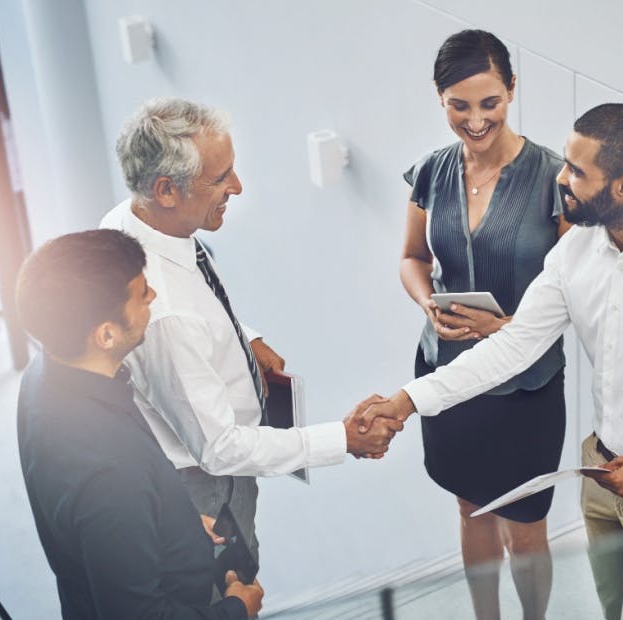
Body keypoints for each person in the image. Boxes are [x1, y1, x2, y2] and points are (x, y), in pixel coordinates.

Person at [364, 103, 623, 620]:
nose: (561, 179)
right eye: (565, 163)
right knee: (613, 614)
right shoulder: (574, 253)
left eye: (577, 172)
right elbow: (513, 346)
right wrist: (406, 400)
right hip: (602, 474)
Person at [100, 97, 402, 563]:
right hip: (207, 491)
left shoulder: (130, 221)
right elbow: (219, 449)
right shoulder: (166, 317)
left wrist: (245, 337)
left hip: (198, 460)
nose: (237, 187)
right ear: (165, 191)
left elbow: (194, 301)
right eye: (220, 179)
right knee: (232, 599)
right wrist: (342, 440)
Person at [398, 29, 571, 620]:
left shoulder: (556, 179)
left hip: (525, 387)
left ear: (513, 91)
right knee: (471, 511)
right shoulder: (431, 171)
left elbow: (578, 292)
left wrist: (508, 327)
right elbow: (412, 258)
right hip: (447, 373)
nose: (475, 121)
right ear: (440, 99)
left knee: (526, 530)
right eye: (459, 105)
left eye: (489, 103)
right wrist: (427, 305)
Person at [15, 229, 264, 620]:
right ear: (106, 333)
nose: (153, 297)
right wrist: (236, 608)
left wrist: (176, 518)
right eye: (142, 293)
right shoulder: (110, 470)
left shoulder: (41, 376)